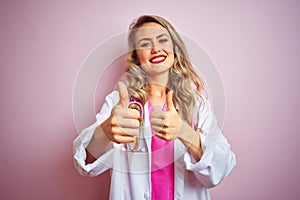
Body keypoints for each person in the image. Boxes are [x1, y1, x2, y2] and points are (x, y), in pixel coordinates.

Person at [73, 15, 236, 200]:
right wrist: (107, 131)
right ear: (136, 57)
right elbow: (84, 161)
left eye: (162, 39)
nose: (156, 48)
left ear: (175, 49)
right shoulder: (120, 103)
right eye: (145, 43)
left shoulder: (197, 105)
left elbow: (221, 168)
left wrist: (185, 132)